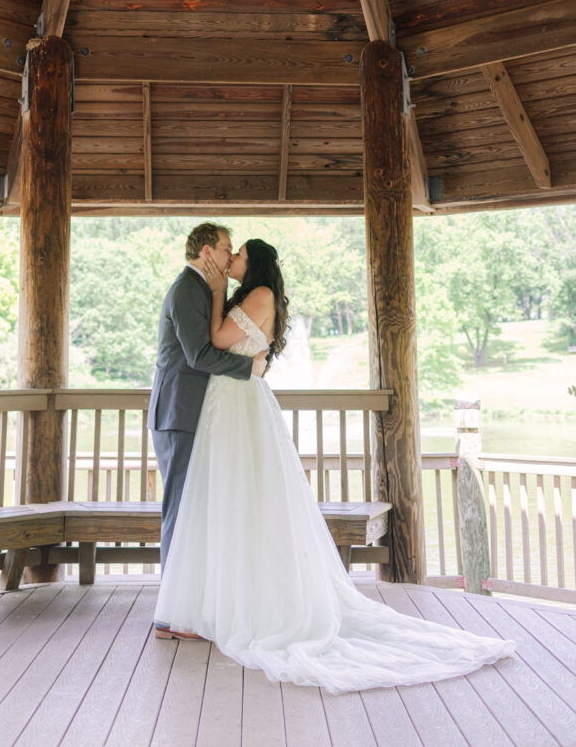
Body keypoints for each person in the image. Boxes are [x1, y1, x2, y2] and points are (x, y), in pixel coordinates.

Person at [154, 238, 516, 693]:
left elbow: (216, 340)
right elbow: (222, 347)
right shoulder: (246, 297)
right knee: (228, 501)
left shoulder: (257, 296)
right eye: (231, 250)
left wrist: (212, 295)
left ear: (255, 262)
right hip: (229, 404)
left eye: (239, 253)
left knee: (243, 499)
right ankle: (219, 603)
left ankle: (233, 608)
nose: (233, 259)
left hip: (238, 404)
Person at [148, 222, 266, 641]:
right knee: (180, 512)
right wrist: (249, 368)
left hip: (195, 413)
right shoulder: (186, 290)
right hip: (178, 414)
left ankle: (189, 609)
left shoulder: (203, 289)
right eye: (226, 247)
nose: (231, 255)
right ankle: (168, 618)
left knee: (194, 511)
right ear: (206, 252)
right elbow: (198, 355)